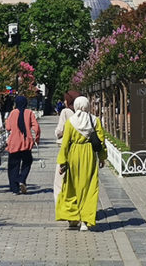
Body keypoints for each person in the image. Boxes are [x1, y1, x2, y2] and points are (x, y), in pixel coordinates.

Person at [56, 96, 106, 231]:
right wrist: (102, 157)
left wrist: (62, 162)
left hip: (73, 155)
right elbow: (101, 141)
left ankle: (73, 218)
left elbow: (65, 144)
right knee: (89, 187)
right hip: (89, 155)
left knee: (71, 187)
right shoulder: (95, 121)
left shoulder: (71, 122)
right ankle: (86, 220)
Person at [5, 94, 41, 194]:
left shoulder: (13, 113)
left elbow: (8, 127)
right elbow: (36, 127)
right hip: (26, 142)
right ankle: (22, 178)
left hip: (14, 142)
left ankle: (14, 188)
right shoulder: (29, 113)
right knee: (27, 162)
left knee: (13, 165)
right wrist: (36, 139)